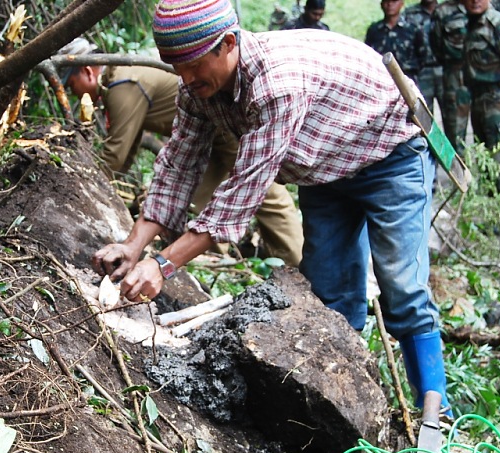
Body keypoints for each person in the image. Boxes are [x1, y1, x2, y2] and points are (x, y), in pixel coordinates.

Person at [92, 0, 451, 414]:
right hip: (324, 166)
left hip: (390, 152)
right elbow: (179, 161)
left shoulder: (276, 84)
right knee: (330, 291)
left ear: (227, 43)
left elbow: (240, 196)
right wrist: (134, 245)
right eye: (177, 69)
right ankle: (350, 403)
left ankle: (435, 415)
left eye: (193, 66)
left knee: (402, 288)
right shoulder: (197, 87)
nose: (186, 80)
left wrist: (163, 264)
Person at [57, 38, 304, 265]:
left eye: (71, 85)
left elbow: (116, 155)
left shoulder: (123, 86)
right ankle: (218, 262)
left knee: (264, 194)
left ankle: (297, 264)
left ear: (87, 71)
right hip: (208, 133)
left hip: (224, 132)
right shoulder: (119, 81)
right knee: (201, 201)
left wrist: (91, 188)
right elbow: (130, 150)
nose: (73, 93)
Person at [462, 0, 500, 202]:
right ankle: (496, 216)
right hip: (480, 101)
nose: (475, 1)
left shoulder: (498, 24)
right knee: (488, 162)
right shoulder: (471, 24)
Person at [430, 0, 471, 152]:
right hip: (455, 75)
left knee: (489, 127)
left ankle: (490, 174)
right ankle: (459, 174)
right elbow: (436, 44)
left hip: (486, 76)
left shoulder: (487, 5)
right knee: (455, 129)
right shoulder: (443, 11)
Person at [365, 0, 428, 83]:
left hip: (408, 78)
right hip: (381, 78)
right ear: (381, 4)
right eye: (386, 1)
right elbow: (368, 53)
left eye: (394, 1)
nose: (390, 4)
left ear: (402, 3)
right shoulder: (375, 30)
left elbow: (423, 55)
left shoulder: (413, 28)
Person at [402, 0, 445, 112]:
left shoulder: (446, 10)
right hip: (421, 72)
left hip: (446, 71)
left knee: (452, 117)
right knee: (423, 115)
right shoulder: (409, 14)